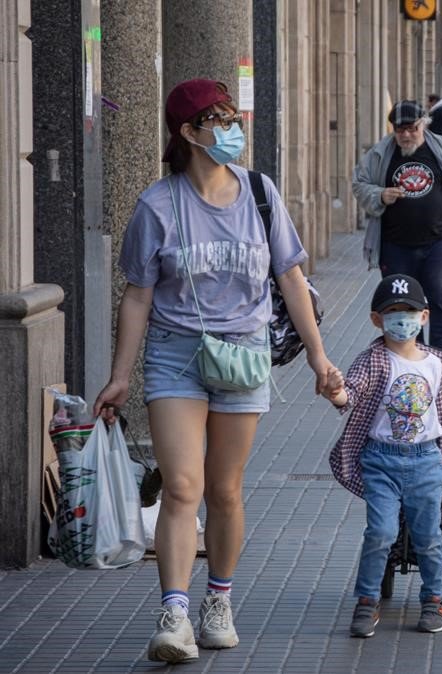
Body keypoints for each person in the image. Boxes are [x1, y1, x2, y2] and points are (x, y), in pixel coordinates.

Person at [92, 78, 334, 664]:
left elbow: (292, 281)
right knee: (182, 487)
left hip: (244, 355)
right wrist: (121, 375)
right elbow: (137, 296)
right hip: (176, 355)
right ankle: (174, 614)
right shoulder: (158, 204)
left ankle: (217, 601)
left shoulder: (260, 194)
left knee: (225, 490)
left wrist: (321, 359)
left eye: (233, 118)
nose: (233, 130)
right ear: (188, 132)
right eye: (219, 120)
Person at [323, 273, 442, 637]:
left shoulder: (437, 365)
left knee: (429, 536)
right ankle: (367, 600)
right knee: (380, 531)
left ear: (424, 317)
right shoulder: (373, 360)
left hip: (427, 461)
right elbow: (350, 393)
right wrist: (335, 392)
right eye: (392, 312)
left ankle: (434, 598)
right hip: (381, 460)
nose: (402, 319)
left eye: (409, 312)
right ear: (377, 320)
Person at [351, 100, 442, 356]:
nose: (406, 135)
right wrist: (379, 195)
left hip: (439, 241)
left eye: (412, 128)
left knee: (440, 297)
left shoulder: (441, 148)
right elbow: (359, 184)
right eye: (400, 130)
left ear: (424, 125)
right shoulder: (380, 153)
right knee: (400, 305)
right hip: (395, 244)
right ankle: (410, 359)